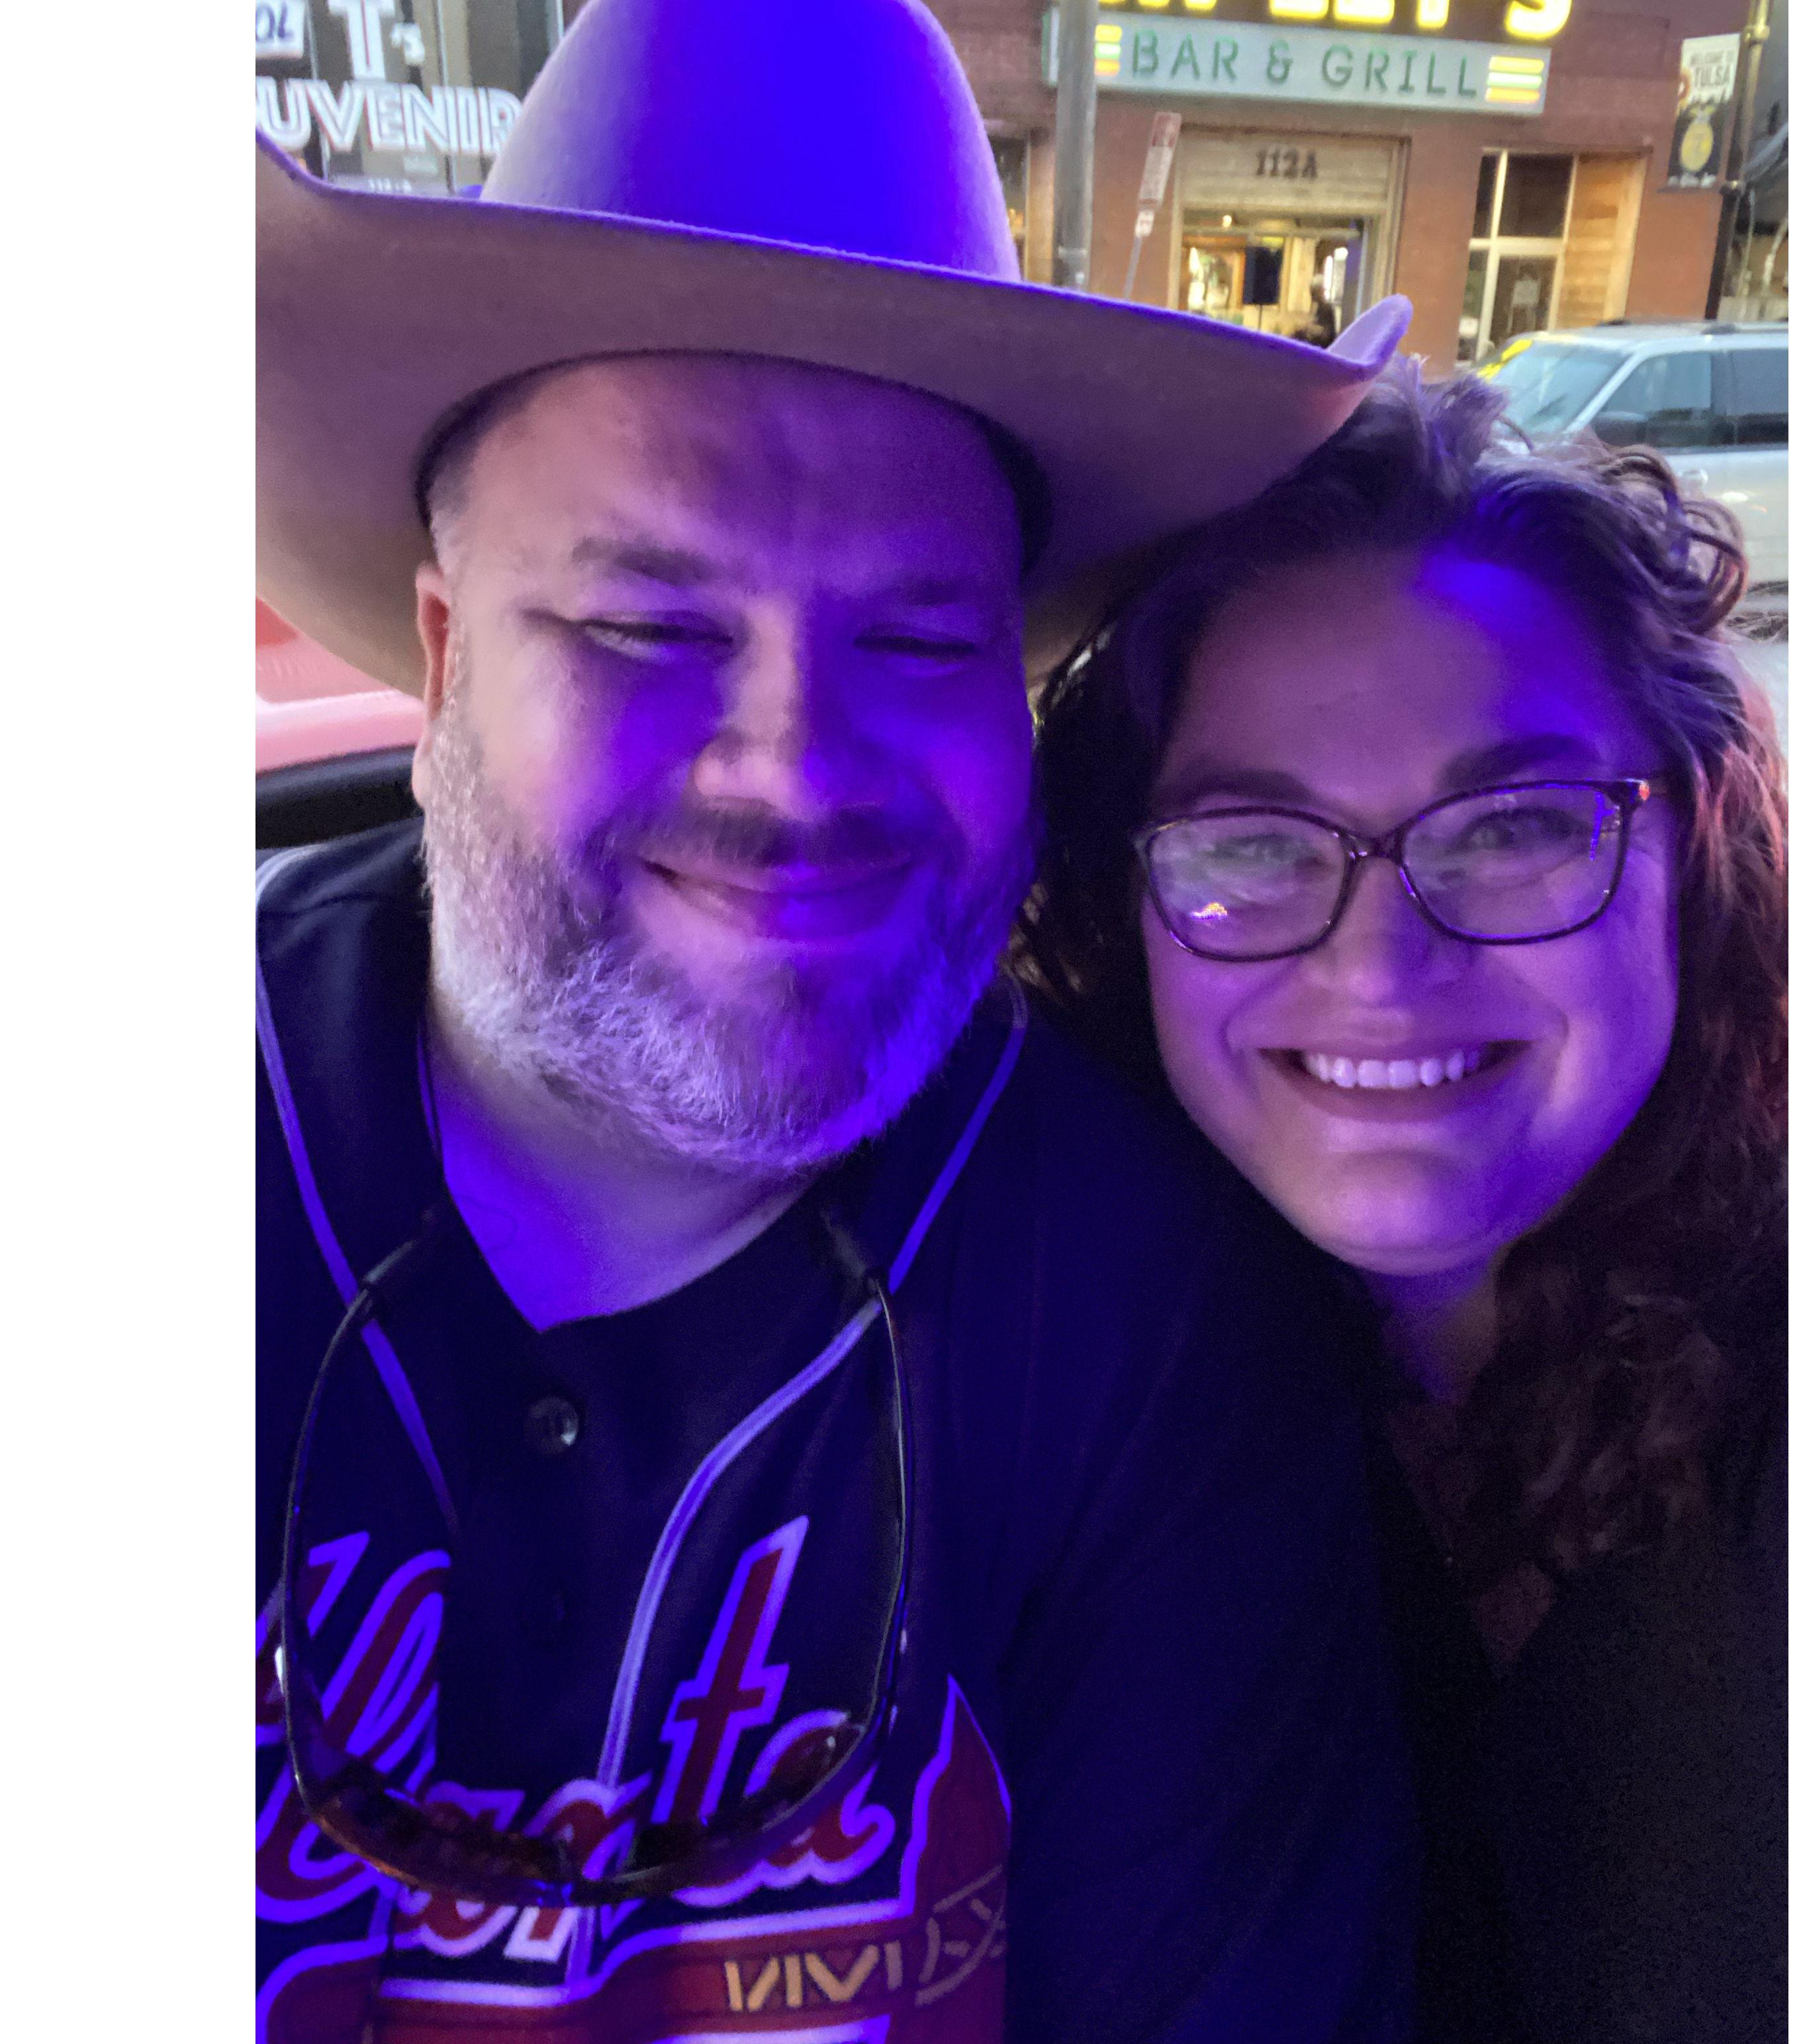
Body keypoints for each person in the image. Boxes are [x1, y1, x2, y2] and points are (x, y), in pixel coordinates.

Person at [254, 3, 1420, 2040]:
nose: (798, 773)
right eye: (646, 627)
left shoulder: (1151, 1315)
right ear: (443, 658)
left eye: (918, 636)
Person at [1020, 365, 1787, 2043]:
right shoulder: (1122, 1398)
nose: (1381, 964)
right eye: (1248, 843)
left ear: (1692, 843)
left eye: (1512, 823)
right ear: (1120, 908)